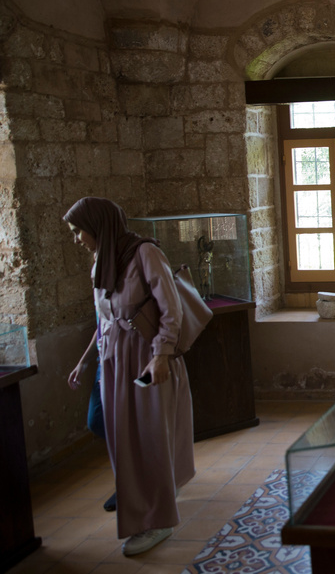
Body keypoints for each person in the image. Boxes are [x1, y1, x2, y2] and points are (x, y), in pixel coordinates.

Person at [64, 197, 195, 556]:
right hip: (115, 363)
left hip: (147, 360)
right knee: (124, 442)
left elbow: (172, 309)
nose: (77, 239)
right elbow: (106, 321)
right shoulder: (101, 264)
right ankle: (149, 503)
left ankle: (157, 521)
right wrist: (84, 360)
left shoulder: (144, 254)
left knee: (148, 440)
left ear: (99, 226)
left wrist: (162, 355)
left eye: (79, 231)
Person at [68, 324, 117, 512]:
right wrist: (83, 362)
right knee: (96, 421)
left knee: (125, 423)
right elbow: (100, 326)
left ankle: (129, 484)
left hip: (120, 359)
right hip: (103, 360)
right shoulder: (98, 293)